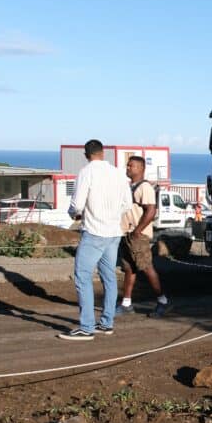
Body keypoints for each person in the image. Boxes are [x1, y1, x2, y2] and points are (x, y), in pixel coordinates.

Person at [60, 139, 132, 341]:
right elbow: (127, 204)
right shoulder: (118, 173)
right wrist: (113, 215)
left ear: (86, 155)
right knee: (109, 277)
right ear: (103, 153)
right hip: (114, 232)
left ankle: (86, 327)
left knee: (82, 276)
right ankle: (107, 323)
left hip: (94, 231)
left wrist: (74, 214)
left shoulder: (87, 172)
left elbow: (77, 204)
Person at [117, 156, 171, 318]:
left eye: (131, 166)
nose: (128, 168)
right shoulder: (130, 187)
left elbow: (151, 210)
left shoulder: (144, 187)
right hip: (126, 234)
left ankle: (163, 301)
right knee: (129, 268)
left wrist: (137, 231)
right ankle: (126, 303)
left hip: (137, 235)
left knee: (147, 268)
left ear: (141, 168)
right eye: (127, 165)